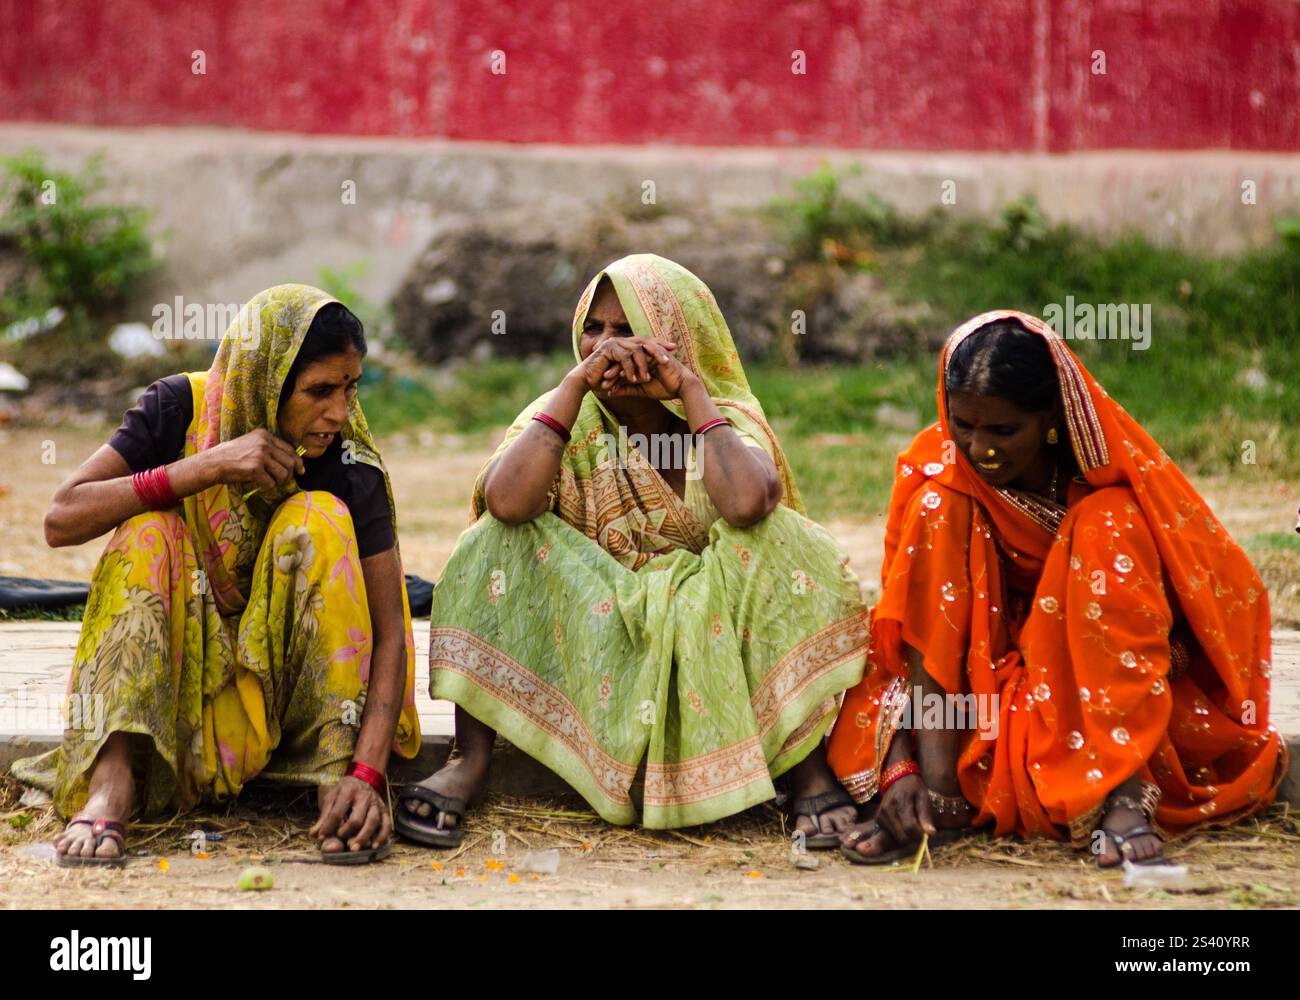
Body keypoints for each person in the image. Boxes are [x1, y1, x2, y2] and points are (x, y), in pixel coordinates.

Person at [396, 253, 868, 845]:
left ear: (678, 338)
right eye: (594, 329)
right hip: (602, 635)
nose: (607, 347)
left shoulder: (722, 415)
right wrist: (571, 388)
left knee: (782, 540)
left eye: (627, 330)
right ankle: (469, 760)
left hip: (715, 630)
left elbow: (750, 503)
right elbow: (508, 503)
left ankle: (806, 769)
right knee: (492, 542)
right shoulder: (564, 414)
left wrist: (689, 391)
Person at [829, 310, 1286, 867]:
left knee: (1105, 521)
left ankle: (1120, 787)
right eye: (964, 425)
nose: (980, 449)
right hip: (982, 686)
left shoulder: (1105, 481)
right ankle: (945, 792)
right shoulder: (943, 470)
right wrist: (908, 765)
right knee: (937, 503)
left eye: (1002, 431)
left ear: (1049, 417)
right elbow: (911, 627)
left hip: (1101, 683)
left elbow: (1191, 607)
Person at [14, 284, 421, 866]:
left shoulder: (349, 463)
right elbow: (62, 518)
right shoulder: (180, 409)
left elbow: (387, 634)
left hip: (286, 708)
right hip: (183, 698)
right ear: (265, 378)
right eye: (320, 391)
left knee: (320, 518)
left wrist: (367, 769)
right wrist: (201, 468)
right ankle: (114, 778)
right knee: (147, 531)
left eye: (351, 387)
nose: (339, 412)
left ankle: (333, 779)